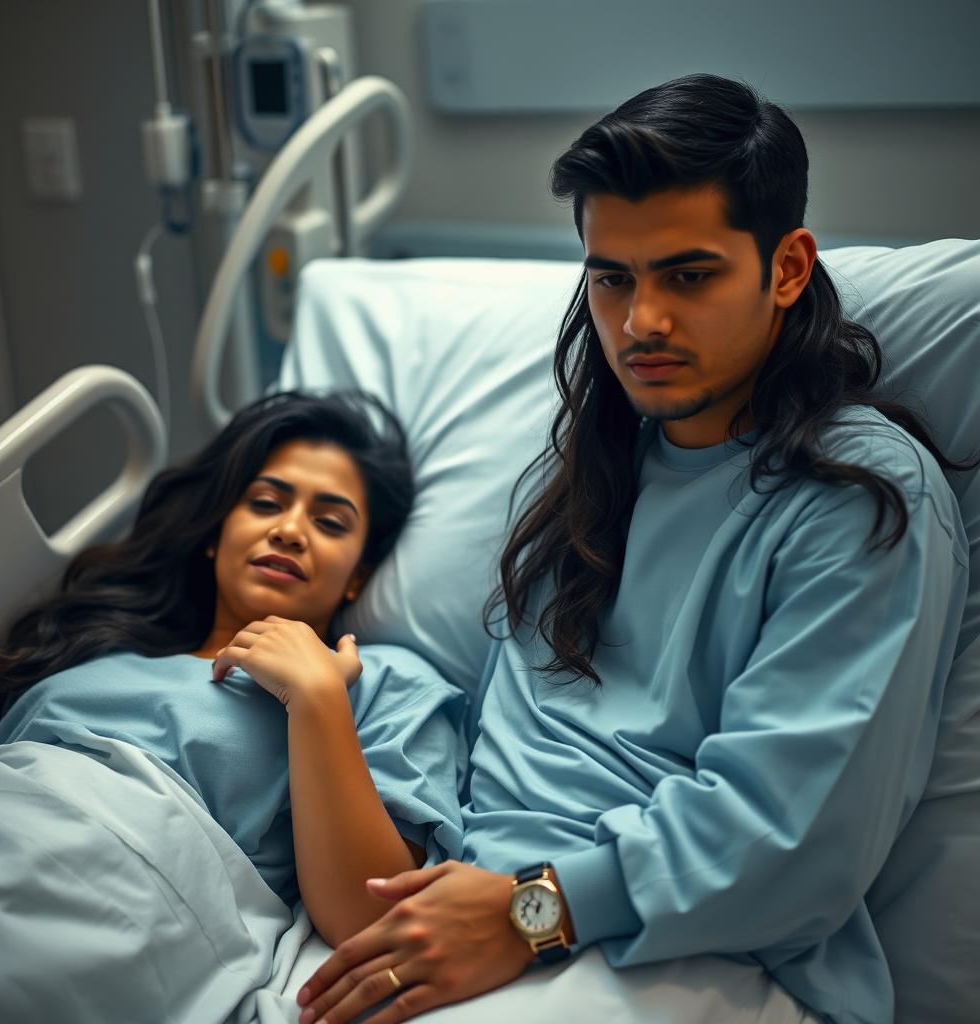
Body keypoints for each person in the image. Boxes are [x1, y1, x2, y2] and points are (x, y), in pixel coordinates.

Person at [295, 75, 971, 1024]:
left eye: (688, 276)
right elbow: (503, 744)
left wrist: (533, 912)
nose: (641, 321)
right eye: (612, 278)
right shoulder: (580, 483)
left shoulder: (860, 498)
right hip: (472, 914)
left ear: (786, 269)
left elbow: (792, 838)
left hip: (694, 957)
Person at [0, 389, 465, 947]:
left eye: (330, 522)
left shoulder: (382, 680)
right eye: (266, 503)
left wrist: (317, 698)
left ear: (357, 577)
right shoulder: (96, 649)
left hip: (99, 894)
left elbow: (375, 914)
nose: (290, 530)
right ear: (215, 533)